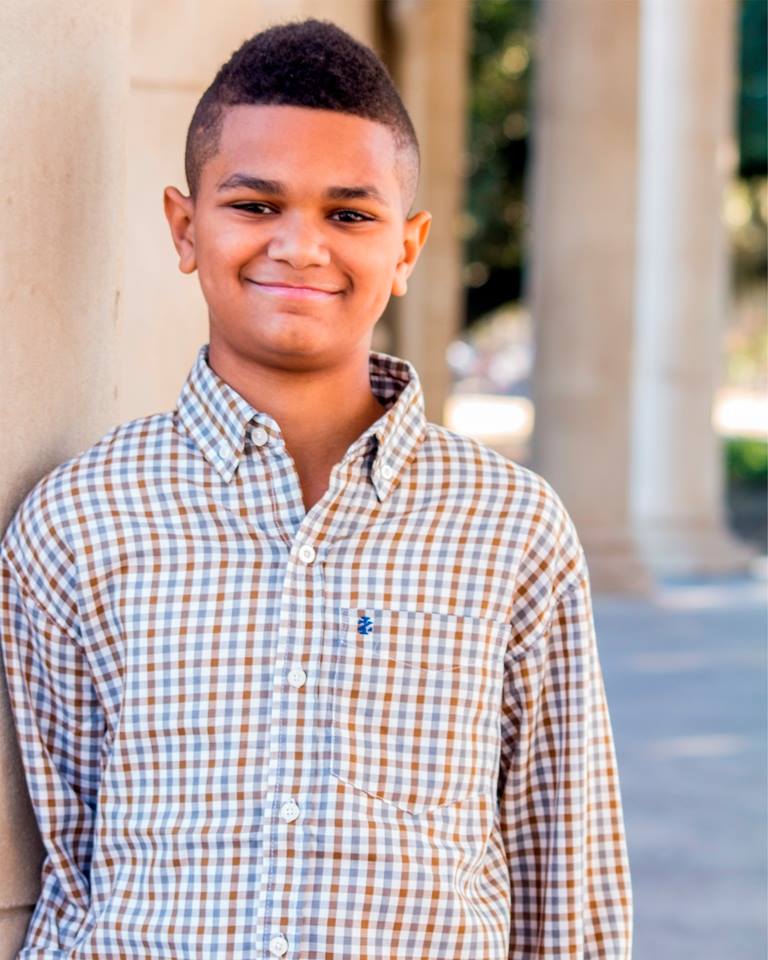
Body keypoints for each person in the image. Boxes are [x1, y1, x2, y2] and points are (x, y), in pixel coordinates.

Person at [0, 18, 632, 960]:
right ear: (185, 227)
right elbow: (72, 860)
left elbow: (564, 872)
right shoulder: (77, 520)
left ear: (408, 247)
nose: (299, 247)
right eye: (255, 206)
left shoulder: (511, 529)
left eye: (349, 214)